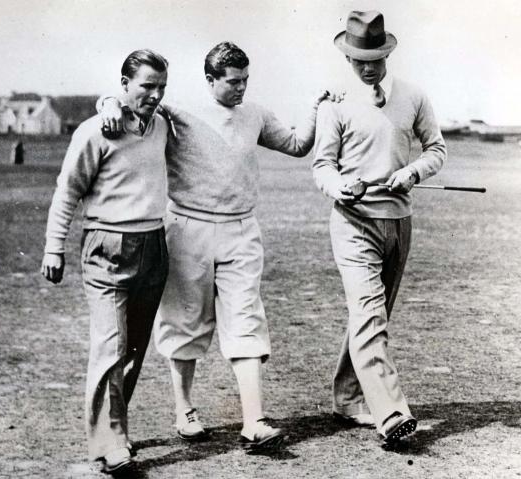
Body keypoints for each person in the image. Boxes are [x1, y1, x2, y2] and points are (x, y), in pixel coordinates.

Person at [99, 41, 335, 451]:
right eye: (232, 82)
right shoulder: (179, 110)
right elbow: (130, 101)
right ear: (210, 80)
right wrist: (107, 104)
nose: (241, 88)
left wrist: (317, 107)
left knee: (245, 318)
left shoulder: (255, 114)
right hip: (189, 229)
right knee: (184, 319)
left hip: (241, 230)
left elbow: (297, 145)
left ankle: (253, 420)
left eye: (245, 80)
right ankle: (185, 409)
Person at [312, 11, 446, 445]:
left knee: (371, 314)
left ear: (387, 52)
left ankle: (349, 398)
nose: (366, 66)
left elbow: (436, 149)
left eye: (374, 57)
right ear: (348, 57)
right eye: (358, 59)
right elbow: (322, 165)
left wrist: (412, 173)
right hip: (353, 223)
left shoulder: (413, 96)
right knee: (370, 315)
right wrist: (339, 186)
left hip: (399, 222)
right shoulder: (334, 103)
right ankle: (391, 414)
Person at [41, 49, 170, 473]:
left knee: (133, 348)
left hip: (153, 245)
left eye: (160, 87)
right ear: (125, 84)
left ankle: (115, 431)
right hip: (106, 248)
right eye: (146, 86)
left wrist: (116, 103)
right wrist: (53, 247)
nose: (153, 95)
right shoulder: (96, 131)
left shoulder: (162, 126)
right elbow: (67, 191)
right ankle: (110, 444)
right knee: (110, 345)